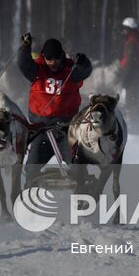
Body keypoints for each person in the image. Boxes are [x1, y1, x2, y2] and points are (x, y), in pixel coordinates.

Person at [17, 33, 92, 183]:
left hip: (66, 131)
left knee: (78, 167)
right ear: (43, 57)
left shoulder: (71, 70)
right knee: (31, 169)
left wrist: (84, 62)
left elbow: (86, 71)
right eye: (49, 59)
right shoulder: (37, 69)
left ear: (62, 56)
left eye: (57, 58)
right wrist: (25, 47)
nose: (53, 62)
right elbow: (23, 64)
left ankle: (82, 196)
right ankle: (28, 199)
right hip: (42, 131)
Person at [118, 17, 139, 118]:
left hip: (132, 75)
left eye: (125, 28)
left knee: (131, 100)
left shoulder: (132, 42)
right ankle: (135, 122)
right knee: (134, 98)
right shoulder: (137, 39)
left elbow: (130, 62)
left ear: (130, 29)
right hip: (137, 73)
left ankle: (135, 125)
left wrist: (126, 78)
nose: (123, 31)